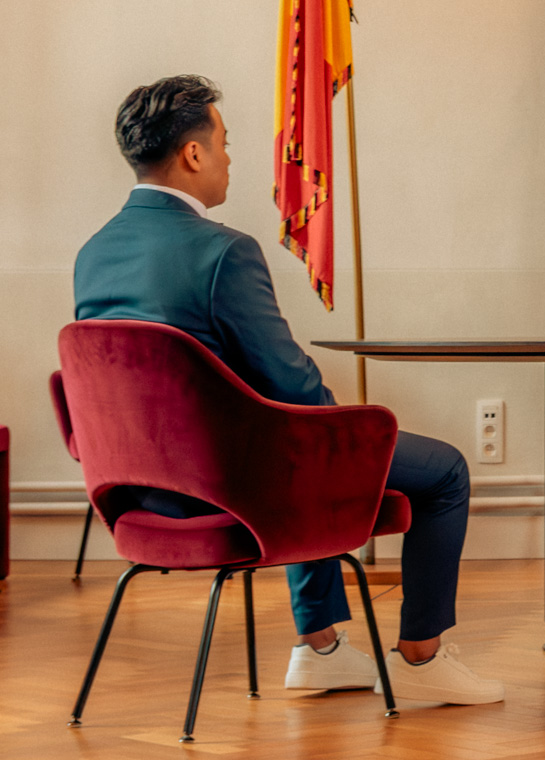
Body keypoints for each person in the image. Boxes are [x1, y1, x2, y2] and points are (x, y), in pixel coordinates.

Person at [72, 75, 503, 706]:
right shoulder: (222, 252)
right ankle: (421, 659)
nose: (229, 158)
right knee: (440, 470)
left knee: (289, 438)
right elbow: (291, 385)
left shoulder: (93, 254)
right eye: (224, 142)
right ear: (192, 154)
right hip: (231, 491)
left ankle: (320, 649)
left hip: (140, 494)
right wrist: (344, 438)